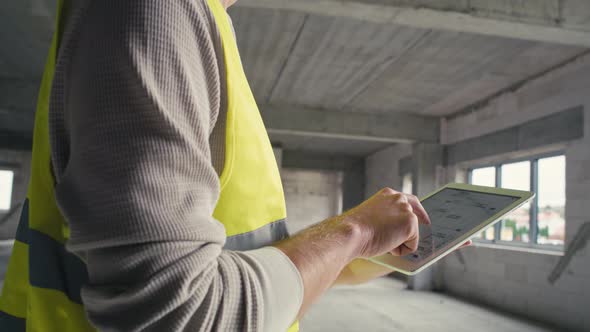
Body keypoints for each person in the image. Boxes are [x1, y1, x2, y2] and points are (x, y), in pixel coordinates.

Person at [0, 0, 469, 331]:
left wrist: (372, 246)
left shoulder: (201, 23)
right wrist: (357, 232)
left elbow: (256, 254)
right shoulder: (153, 11)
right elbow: (176, 316)